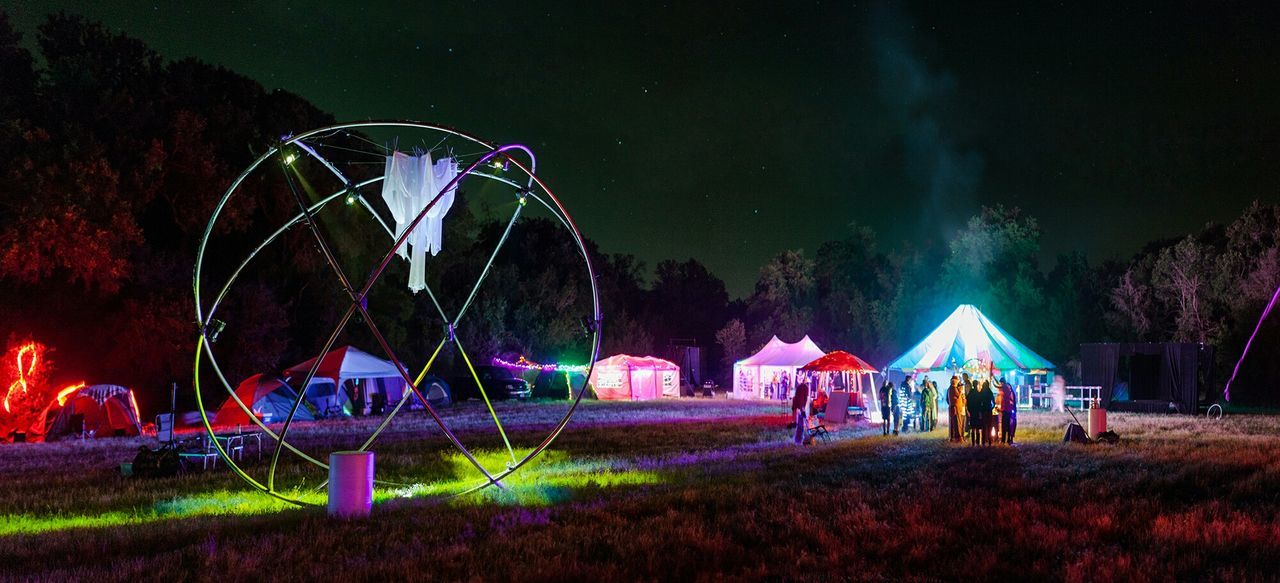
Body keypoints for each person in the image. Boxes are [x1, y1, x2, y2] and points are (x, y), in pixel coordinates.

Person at [1000, 377, 1017, 444]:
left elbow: (1012, 402)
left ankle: (1008, 439)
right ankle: (1006, 439)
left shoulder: (1007, 391)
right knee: (1007, 425)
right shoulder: (1007, 391)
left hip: (1008, 411)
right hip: (1008, 410)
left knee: (1007, 425)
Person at [977, 380, 995, 446]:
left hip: (983, 411)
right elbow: (994, 402)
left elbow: (979, 402)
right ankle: (990, 441)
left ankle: (983, 441)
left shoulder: (981, 392)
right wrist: (991, 408)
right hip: (989, 411)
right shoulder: (990, 392)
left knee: (983, 427)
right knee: (989, 427)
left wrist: (980, 409)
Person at [965, 378, 981, 446]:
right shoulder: (978, 393)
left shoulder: (970, 394)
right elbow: (980, 403)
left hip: (972, 412)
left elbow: (967, 403)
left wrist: (968, 410)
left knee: (973, 428)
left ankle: (973, 443)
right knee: (977, 428)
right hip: (977, 412)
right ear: (976, 385)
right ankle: (977, 442)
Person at [946, 376, 962, 442]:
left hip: (952, 407)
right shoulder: (953, 388)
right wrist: (960, 390)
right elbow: (958, 395)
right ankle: (958, 437)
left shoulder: (949, 388)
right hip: (955, 407)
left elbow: (947, 399)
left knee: (952, 423)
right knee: (957, 422)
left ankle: (952, 437)